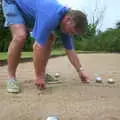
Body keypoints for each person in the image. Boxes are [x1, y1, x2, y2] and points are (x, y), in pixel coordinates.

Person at [2, 0, 89, 93]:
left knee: (49, 37)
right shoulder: (51, 16)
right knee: (20, 36)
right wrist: (38, 76)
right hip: (12, 3)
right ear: (68, 19)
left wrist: (80, 71)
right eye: (71, 31)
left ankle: (42, 73)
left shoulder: (65, 24)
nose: (70, 34)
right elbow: (37, 47)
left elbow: (70, 50)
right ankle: (11, 78)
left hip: (30, 11)